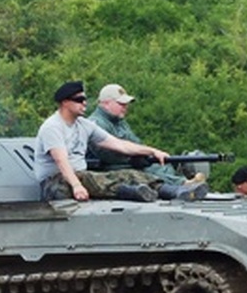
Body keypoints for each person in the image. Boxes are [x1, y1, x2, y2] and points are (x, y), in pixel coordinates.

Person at [34, 81, 203, 202]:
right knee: (98, 179)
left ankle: (174, 191)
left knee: (133, 175)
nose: (84, 103)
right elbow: (61, 161)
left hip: (80, 177)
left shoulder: (84, 125)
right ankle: (134, 192)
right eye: (79, 100)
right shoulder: (52, 127)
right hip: (56, 183)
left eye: (85, 99)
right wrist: (77, 186)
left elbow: (119, 144)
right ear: (65, 102)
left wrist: (152, 151)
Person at [88, 83, 208, 188]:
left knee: (160, 165)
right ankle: (183, 185)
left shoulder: (119, 122)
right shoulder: (96, 123)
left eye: (126, 104)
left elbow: (135, 142)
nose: (125, 107)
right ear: (106, 103)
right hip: (108, 170)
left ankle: (182, 184)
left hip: (126, 165)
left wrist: (145, 154)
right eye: (121, 104)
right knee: (147, 173)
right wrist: (136, 157)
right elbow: (108, 155)